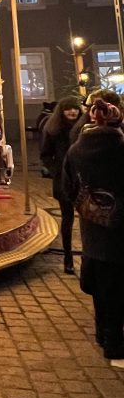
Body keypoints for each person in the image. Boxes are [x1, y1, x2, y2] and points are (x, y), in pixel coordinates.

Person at [62, 100, 124, 365]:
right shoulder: (120, 148)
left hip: (92, 226)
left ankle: (104, 333)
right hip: (120, 226)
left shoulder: (76, 150)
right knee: (118, 283)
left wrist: (85, 208)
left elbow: (68, 188)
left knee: (101, 284)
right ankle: (115, 341)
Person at [40, 96, 82, 274]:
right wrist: (57, 170)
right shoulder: (54, 130)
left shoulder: (84, 129)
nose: (72, 112)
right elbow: (45, 154)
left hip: (82, 178)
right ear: (62, 111)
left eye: (75, 109)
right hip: (64, 179)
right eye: (68, 109)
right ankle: (67, 257)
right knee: (67, 218)